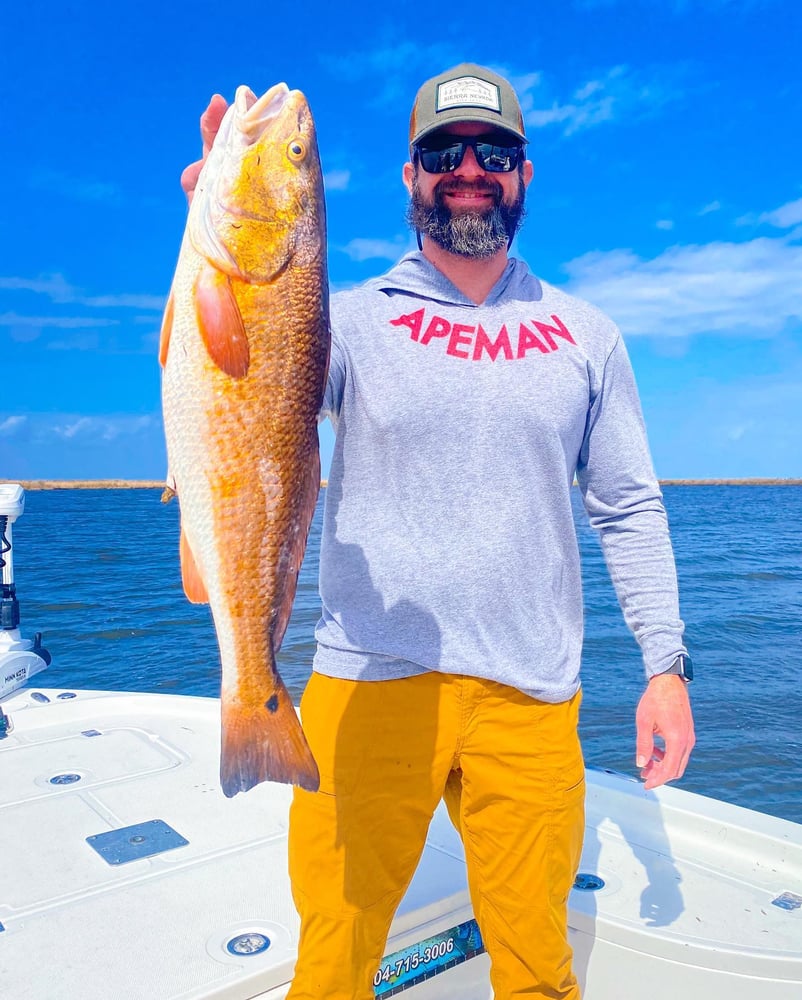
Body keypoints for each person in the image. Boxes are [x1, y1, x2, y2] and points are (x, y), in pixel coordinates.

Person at [181, 63, 695, 1000]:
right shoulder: (341, 320)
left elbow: (627, 505)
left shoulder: (588, 335)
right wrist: (212, 250)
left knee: (539, 966)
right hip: (368, 681)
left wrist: (665, 665)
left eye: (492, 152)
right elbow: (237, 395)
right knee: (332, 963)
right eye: (442, 151)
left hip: (531, 698)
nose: (469, 168)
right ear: (411, 176)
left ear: (524, 174)